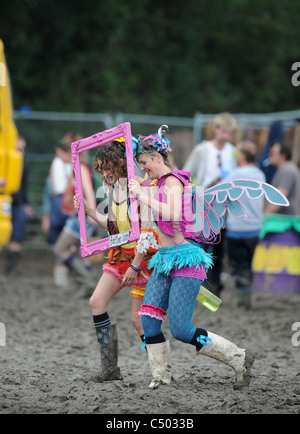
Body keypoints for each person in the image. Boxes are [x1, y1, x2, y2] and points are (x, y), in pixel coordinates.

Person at [128, 126, 255, 390]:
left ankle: (238, 357)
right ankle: (161, 377)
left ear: (157, 158)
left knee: (181, 329)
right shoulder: (158, 183)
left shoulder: (174, 181)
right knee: (148, 319)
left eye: (144, 163)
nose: (142, 169)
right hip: (164, 259)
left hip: (186, 259)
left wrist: (141, 195)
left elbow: (173, 213)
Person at [74, 138, 159, 382]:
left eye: (108, 168)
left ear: (121, 163)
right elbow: (115, 231)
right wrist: (90, 211)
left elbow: (147, 232)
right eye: (102, 170)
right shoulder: (113, 191)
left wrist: (135, 265)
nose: (106, 174)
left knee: (138, 320)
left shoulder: (141, 188)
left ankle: (160, 372)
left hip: (143, 259)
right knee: (96, 301)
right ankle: (110, 370)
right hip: (121, 256)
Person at [183, 112, 238, 296]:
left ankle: (215, 286)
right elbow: (188, 172)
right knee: (201, 244)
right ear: (215, 129)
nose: (226, 135)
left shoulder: (232, 151)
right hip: (203, 201)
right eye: (223, 131)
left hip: (223, 203)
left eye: (229, 132)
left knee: (220, 245)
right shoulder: (202, 149)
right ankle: (197, 284)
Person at [224, 140, 266, 310]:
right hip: (255, 227)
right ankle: (246, 293)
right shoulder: (260, 174)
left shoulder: (235, 175)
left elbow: (221, 192)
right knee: (248, 262)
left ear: (241, 156)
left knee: (237, 264)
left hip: (237, 228)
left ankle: (243, 294)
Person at [53, 150, 98, 294]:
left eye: (61, 153)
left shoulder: (81, 168)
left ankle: (86, 280)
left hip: (82, 216)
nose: (59, 157)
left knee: (60, 248)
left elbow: (89, 191)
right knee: (79, 253)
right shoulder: (75, 169)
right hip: (79, 215)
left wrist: (92, 213)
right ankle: (86, 284)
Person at [5, 135, 34, 276]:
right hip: (3, 201)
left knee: (17, 234)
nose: (21, 152)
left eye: (23, 149)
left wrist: (26, 204)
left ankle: (10, 269)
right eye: (18, 148)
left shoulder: (24, 163)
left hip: (17, 204)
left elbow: (24, 187)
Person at [264, 142, 300, 215]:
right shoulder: (285, 168)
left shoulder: (287, 170)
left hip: (286, 222)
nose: (269, 156)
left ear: (283, 156)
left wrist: (265, 216)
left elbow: (280, 197)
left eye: (272, 153)